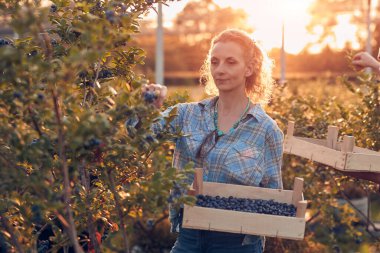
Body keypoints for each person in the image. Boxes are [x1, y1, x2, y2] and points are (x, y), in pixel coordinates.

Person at [134, 29, 284, 253]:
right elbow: (141, 136)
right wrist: (147, 108)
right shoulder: (186, 115)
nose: (220, 70)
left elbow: (273, 197)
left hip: (238, 243)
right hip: (190, 237)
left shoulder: (265, 130)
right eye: (215, 62)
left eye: (231, 62)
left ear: (249, 68)